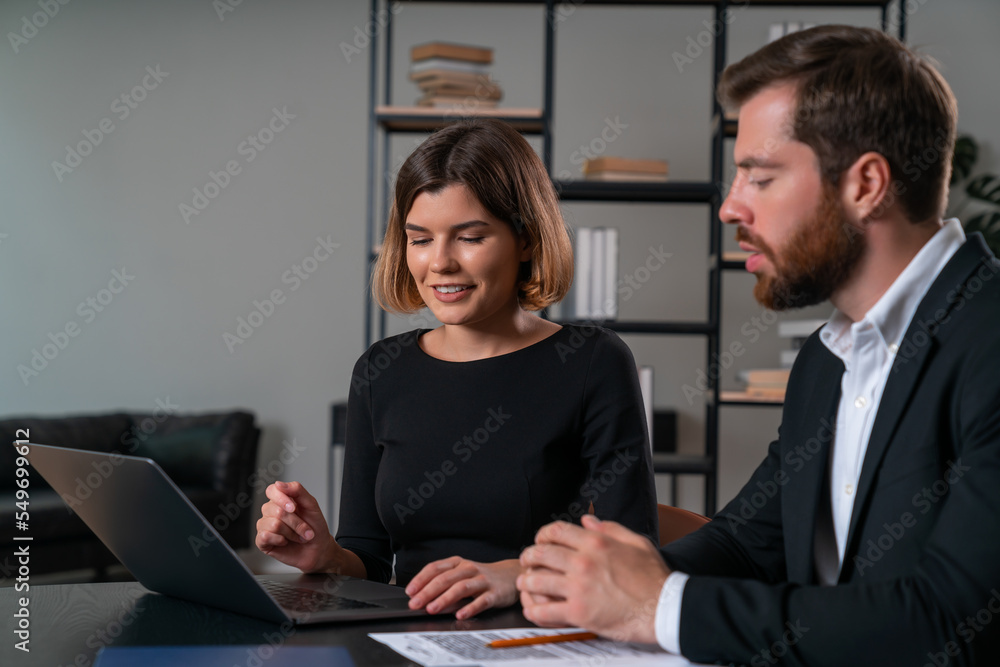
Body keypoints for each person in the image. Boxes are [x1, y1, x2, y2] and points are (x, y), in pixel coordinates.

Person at [517, 25, 1000, 666]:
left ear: (865, 185)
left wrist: (655, 605)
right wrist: (587, 582)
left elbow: (950, 621)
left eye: (759, 177)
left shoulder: (988, 339)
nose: (730, 208)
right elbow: (749, 544)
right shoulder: (828, 359)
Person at [255, 118, 658, 620]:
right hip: (404, 636)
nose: (439, 263)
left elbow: (633, 548)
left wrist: (520, 573)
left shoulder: (591, 360)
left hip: (538, 634)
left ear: (527, 240)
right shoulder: (380, 371)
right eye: (420, 239)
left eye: (469, 237)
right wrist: (327, 556)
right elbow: (372, 559)